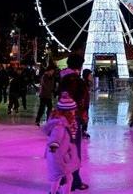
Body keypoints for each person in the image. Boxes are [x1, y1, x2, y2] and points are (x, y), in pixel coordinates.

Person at [58, 53, 89, 191]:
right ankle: (75, 180)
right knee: (74, 150)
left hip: (61, 116)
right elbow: (82, 101)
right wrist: (83, 116)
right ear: (79, 66)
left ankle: (63, 179)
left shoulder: (62, 78)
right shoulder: (77, 80)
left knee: (64, 148)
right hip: (74, 117)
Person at [43, 96, 80, 194]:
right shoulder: (60, 126)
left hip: (62, 156)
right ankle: (54, 192)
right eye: (72, 111)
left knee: (66, 178)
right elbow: (54, 142)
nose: (74, 112)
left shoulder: (64, 123)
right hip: (59, 158)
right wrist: (55, 157)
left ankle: (55, 192)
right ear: (67, 112)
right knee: (62, 178)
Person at [81, 69, 93, 139]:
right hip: (83, 104)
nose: (91, 76)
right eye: (90, 75)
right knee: (84, 118)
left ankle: (83, 131)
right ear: (86, 75)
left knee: (85, 117)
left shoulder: (87, 83)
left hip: (86, 103)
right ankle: (83, 131)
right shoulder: (83, 83)